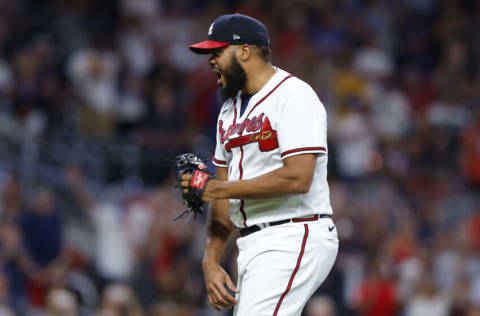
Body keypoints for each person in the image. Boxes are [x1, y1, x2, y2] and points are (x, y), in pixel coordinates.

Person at [183, 13, 339, 315]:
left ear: (244, 51)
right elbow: (223, 194)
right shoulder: (228, 111)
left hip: (295, 232)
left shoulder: (293, 96)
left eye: (217, 52)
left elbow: (298, 178)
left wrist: (218, 189)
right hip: (253, 243)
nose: (210, 61)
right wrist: (211, 260)